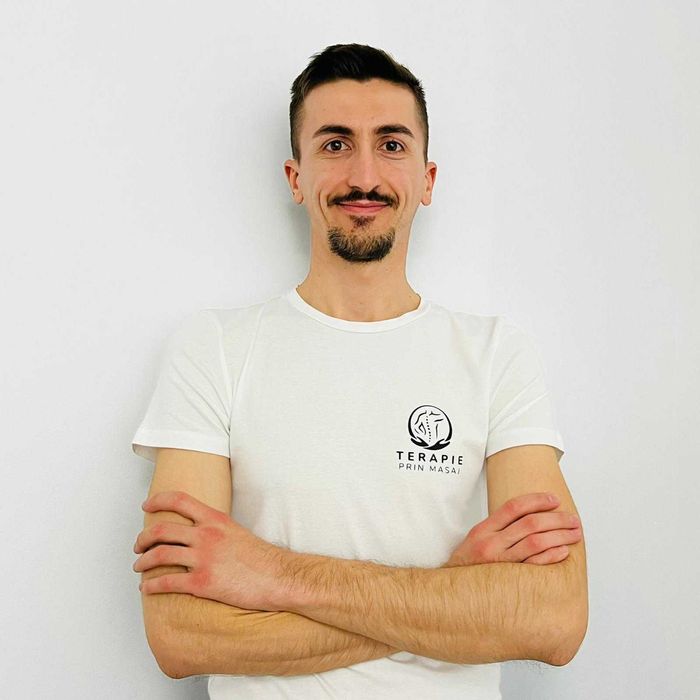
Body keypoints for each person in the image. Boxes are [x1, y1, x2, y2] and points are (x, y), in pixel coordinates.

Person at [131, 43, 587, 699]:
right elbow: (181, 637)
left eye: (392, 145)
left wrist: (270, 573)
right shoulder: (214, 349)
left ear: (428, 179)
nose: (364, 175)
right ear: (296, 177)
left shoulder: (497, 353)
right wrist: (451, 591)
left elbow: (554, 620)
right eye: (336, 144)